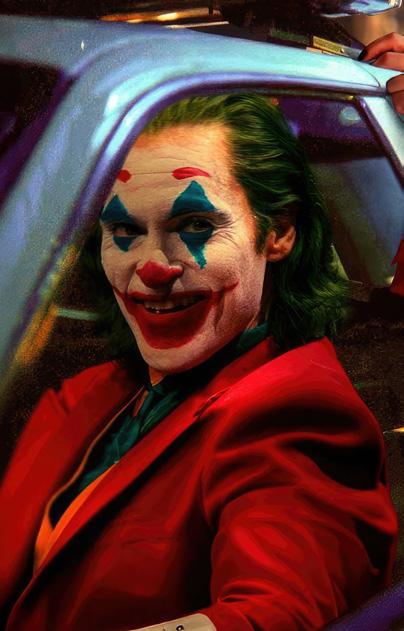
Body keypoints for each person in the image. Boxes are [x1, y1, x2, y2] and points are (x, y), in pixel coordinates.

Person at [0, 93, 398, 631]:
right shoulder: (93, 391)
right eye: (124, 231)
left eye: (194, 224)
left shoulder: (299, 413)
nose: (151, 268)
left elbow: (274, 616)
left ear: (278, 232)